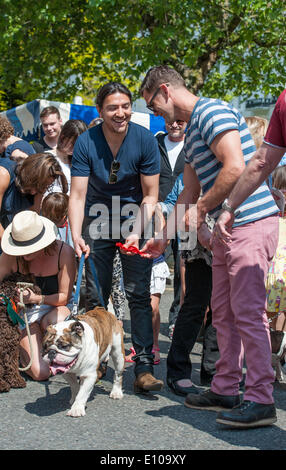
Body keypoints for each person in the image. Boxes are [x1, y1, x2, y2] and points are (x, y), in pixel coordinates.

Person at [140, 65, 279, 428]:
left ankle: (262, 399)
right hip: (224, 231)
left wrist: (201, 211)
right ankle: (225, 386)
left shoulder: (211, 111)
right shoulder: (190, 135)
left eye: (152, 104)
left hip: (248, 222)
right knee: (223, 313)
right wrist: (161, 238)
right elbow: (187, 193)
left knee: (248, 313)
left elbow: (235, 167)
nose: (153, 113)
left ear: (166, 91)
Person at [69, 82, 163, 394]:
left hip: (136, 219)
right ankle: (96, 361)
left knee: (138, 294)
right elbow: (78, 195)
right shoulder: (85, 141)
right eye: (112, 107)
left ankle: (144, 366)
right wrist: (75, 234)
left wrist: (137, 233)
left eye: (125, 106)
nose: (120, 113)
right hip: (97, 221)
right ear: (101, 111)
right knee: (96, 297)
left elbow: (151, 195)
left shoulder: (145, 139)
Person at [159, 173, 219, 393]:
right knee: (196, 301)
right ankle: (178, 370)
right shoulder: (203, 142)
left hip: (230, 221)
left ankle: (213, 371)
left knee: (222, 306)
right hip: (197, 219)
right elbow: (187, 190)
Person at [0, 210, 76, 381]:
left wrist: (36, 299)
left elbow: (64, 296)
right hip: (25, 315)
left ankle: (41, 344)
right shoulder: (10, 256)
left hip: (55, 308)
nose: (24, 252)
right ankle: (26, 350)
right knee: (40, 373)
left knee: (57, 320)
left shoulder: (64, 252)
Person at [156, 119, 186, 339]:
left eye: (179, 121)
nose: (174, 125)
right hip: (159, 215)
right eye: (170, 121)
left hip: (187, 218)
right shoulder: (154, 143)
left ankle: (177, 319)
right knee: (154, 267)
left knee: (183, 271)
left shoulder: (195, 144)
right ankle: (150, 317)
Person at [0, 152, 68, 243]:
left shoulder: (39, 188)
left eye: (44, 187)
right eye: (36, 185)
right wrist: (10, 248)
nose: (34, 192)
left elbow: (33, 219)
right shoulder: (4, 174)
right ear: (31, 175)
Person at [265, 165, 286, 333]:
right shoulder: (270, 216)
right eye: (281, 188)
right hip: (271, 273)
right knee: (270, 314)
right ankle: (274, 349)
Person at [48, 119, 88, 195]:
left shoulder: (80, 161)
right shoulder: (48, 158)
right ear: (63, 138)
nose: (76, 148)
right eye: (73, 144)